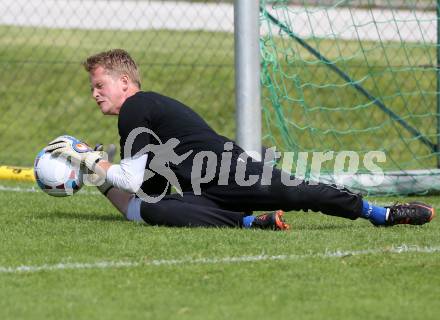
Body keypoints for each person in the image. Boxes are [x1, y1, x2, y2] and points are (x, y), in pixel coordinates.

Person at [45, 49, 435, 230]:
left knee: (301, 193)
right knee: (155, 211)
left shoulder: (137, 108)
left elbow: (129, 181)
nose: (95, 93)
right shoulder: (137, 118)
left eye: (100, 84)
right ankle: (250, 223)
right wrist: (98, 180)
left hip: (233, 173)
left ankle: (380, 214)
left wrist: (86, 158)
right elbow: (138, 198)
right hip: (206, 191)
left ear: (125, 82)